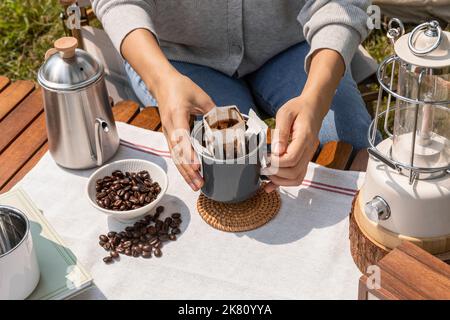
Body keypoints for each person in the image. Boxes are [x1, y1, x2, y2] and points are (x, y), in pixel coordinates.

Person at [93, 0, 372, 192]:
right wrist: (162, 81)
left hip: (294, 44)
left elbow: (343, 3)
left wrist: (316, 99)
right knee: (224, 174)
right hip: (178, 60)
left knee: (355, 154)